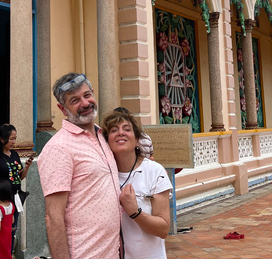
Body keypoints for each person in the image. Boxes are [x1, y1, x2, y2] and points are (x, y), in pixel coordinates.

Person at [38, 73, 121, 259]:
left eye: (87, 95)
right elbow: (53, 217)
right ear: (62, 108)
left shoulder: (103, 136)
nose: (85, 103)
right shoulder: (59, 148)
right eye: (75, 100)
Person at [103, 110, 172, 259]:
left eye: (127, 129)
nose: (120, 133)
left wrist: (135, 212)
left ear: (137, 141)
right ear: (107, 141)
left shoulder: (154, 171)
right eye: (114, 130)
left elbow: (163, 229)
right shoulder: (102, 174)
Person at [0, 124, 33, 251]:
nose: (14, 142)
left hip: (15, 199)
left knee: (12, 230)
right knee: (0, 231)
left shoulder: (14, 154)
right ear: (2, 139)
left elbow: (19, 177)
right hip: (1, 201)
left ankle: (8, 254)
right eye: (11, 139)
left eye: (15, 138)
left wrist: (26, 168)